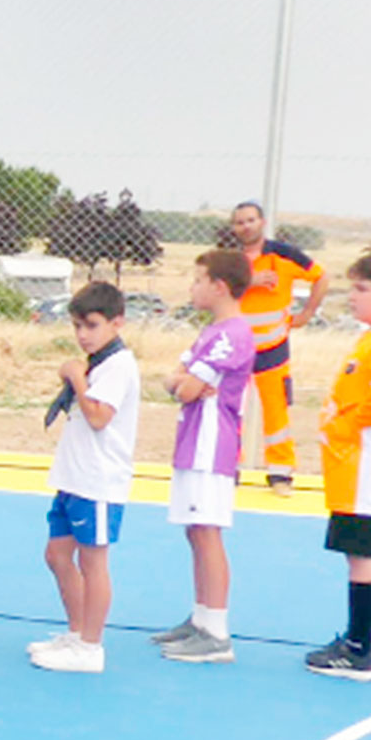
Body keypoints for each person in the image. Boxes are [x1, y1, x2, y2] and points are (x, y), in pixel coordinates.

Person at [304, 247, 371, 681]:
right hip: (357, 465)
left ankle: (360, 649)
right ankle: (354, 640)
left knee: (365, 552)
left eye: (362, 289)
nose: (353, 297)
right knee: (356, 551)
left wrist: (350, 423)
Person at [149, 250, 255, 664]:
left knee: (207, 531)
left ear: (220, 286)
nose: (192, 288)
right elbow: (174, 380)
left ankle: (217, 631)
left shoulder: (232, 334)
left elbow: (187, 387)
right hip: (193, 441)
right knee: (195, 530)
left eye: (198, 280)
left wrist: (183, 382)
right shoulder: (211, 332)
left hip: (212, 446)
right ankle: (200, 618)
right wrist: (181, 381)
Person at [30, 283, 140, 675]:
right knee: (57, 555)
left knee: (94, 562)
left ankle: (91, 646)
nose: (83, 335)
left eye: (92, 325)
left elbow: (98, 417)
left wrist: (78, 379)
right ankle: (77, 633)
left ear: (116, 322)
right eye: (77, 325)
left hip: (98, 481)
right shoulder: (98, 362)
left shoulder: (118, 366)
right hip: (73, 477)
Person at [229, 200, 326, 495]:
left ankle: (280, 473)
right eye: (239, 222)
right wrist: (249, 281)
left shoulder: (285, 256)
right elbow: (216, 289)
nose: (246, 226)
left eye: (250, 220)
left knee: (277, 411)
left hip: (273, 346)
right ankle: (229, 467)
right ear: (234, 228)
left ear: (262, 222)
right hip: (238, 347)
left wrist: (308, 312)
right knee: (232, 409)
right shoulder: (230, 262)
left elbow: (320, 277)